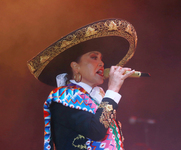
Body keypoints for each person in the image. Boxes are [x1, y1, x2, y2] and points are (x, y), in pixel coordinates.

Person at [27, 19, 138, 150]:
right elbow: (96, 132)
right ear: (76, 67)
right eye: (94, 57)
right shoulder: (64, 97)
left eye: (101, 59)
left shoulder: (99, 97)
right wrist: (113, 89)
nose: (102, 63)